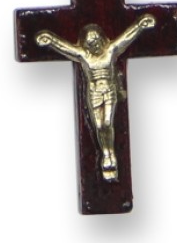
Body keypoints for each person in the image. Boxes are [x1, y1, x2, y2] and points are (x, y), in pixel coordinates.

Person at [35, 15, 156, 181]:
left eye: (97, 40)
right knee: (99, 126)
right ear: (87, 45)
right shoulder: (84, 56)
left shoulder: (110, 51)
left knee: (107, 123)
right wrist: (50, 40)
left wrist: (140, 26)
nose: (95, 44)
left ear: (101, 40)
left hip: (109, 91)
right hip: (94, 93)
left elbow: (125, 38)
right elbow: (66, 48)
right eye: (91, 43)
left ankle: (111, 154)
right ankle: (106, 153)